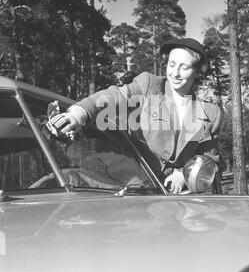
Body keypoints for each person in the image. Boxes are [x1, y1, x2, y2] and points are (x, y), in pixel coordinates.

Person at [47, 38, 221, 194]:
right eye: (172, 64)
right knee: (69, 178)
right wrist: (81, 112)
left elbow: (208, 158)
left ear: (198, 71)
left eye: (184, 67)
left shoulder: (210, 114)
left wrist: (183, 174)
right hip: (128, 184)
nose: (175, 73)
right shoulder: (149, 86)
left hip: (171, 197)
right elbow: (114, 96)